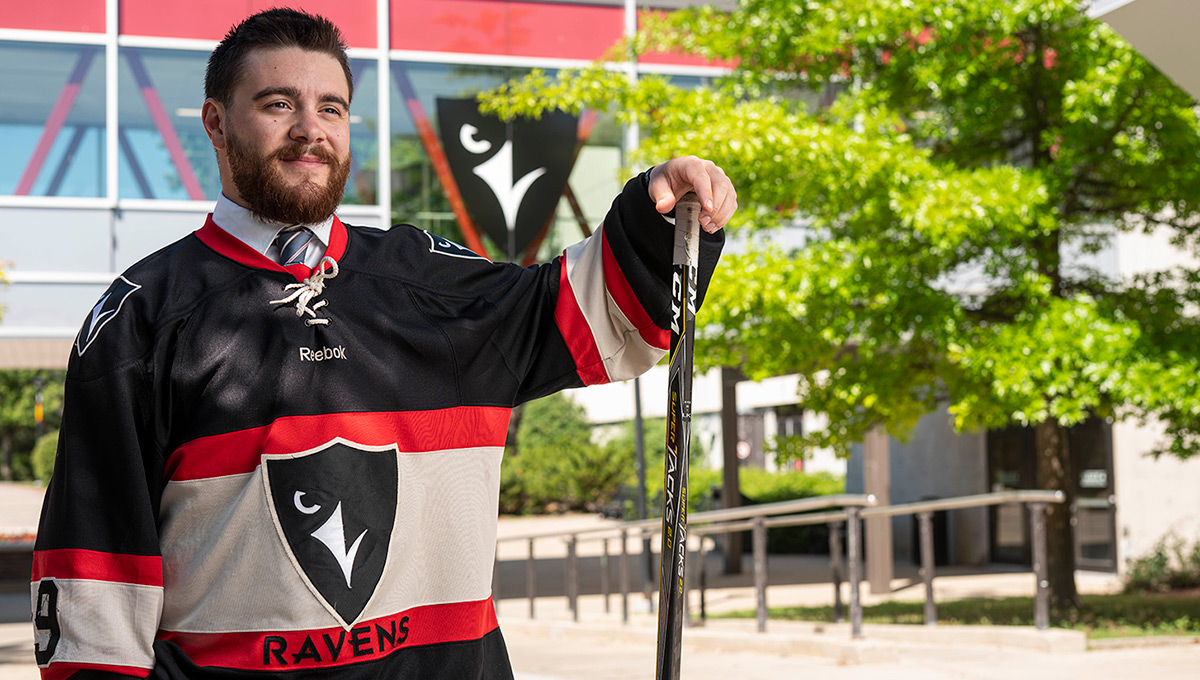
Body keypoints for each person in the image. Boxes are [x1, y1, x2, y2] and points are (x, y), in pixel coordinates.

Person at [31, 8, 733, 679]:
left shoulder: (434, 288)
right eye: (278, 105)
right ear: (216, 122)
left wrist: (657, 209)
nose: (311, 130)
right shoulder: (139, 318)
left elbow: (607, 313)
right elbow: (95, 588)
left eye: (331, 108)